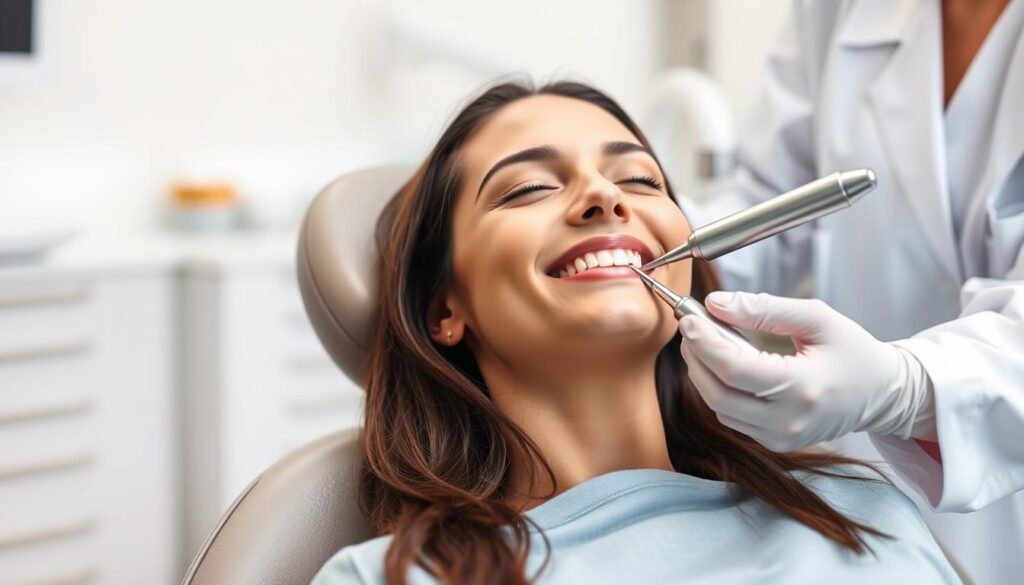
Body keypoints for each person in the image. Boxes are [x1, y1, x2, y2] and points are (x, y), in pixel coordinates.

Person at [309, 80, 960, 584]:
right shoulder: (393, 577)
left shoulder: (858, 513)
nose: (603, 196)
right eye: (529, 187)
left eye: (640, 179)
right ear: (442, 309)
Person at [676, 1, 1024, 583]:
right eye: (532, 188)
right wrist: (656, 232)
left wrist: (907, 387)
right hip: (869, 494)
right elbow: (773, 196)